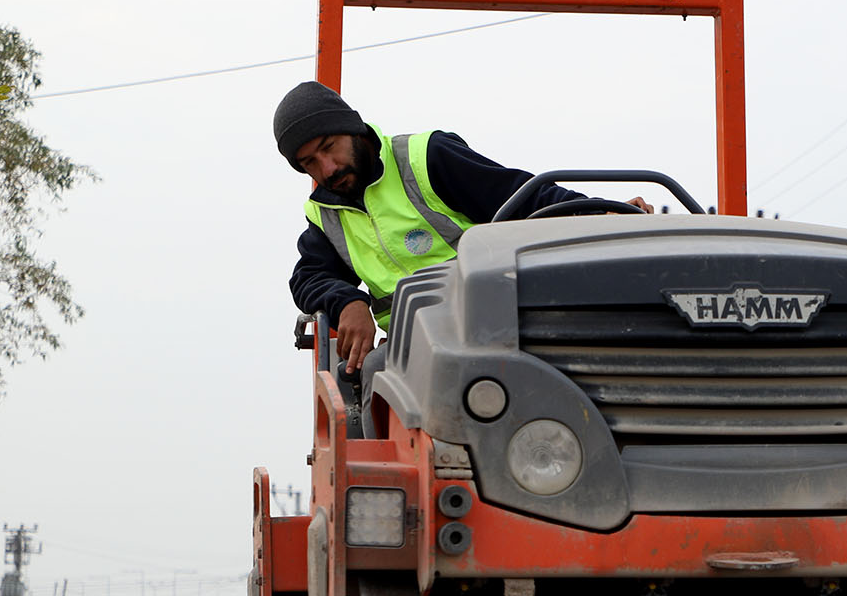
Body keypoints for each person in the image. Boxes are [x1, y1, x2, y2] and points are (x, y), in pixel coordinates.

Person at [273, 80, 646, 376]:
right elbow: (308, 277)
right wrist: (347, 303)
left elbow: (520, 198)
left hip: (494, 321)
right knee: (373, 371)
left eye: (329, 147)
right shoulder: (325, 213)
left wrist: (600, 215)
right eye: (309, 163)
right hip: (410, 347)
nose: (328, 168)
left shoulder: (425, 159)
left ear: (353, 129)